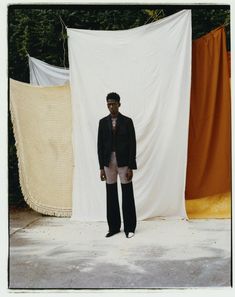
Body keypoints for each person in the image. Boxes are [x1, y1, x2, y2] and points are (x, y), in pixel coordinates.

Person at [97, 92, 137, 239]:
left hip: (124, 162)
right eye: (108, 104)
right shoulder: (102, 122)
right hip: (108, 163)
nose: (111, 106)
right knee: (111, 194)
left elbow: (133, 145)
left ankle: (130, 227)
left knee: (127, 194)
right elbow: (100, 146)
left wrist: (131, 166)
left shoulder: (127, 121)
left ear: (119, 104)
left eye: (113, 104)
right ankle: (113, 227)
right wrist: (101, 167)